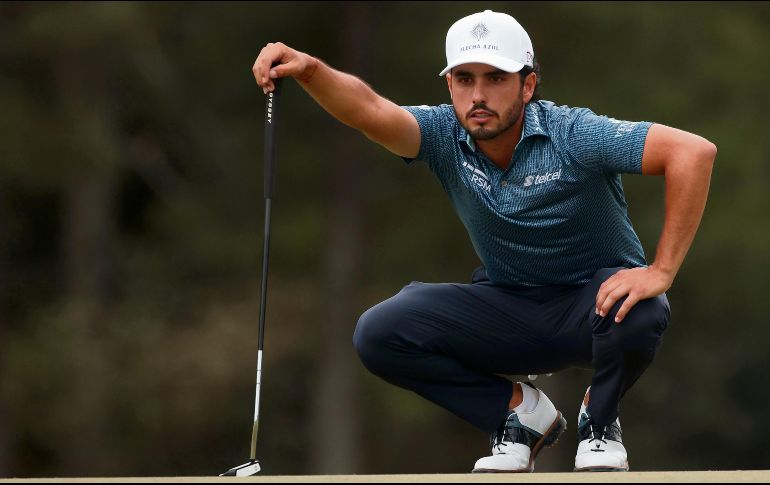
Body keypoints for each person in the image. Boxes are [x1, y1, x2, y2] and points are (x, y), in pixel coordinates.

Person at [253, 9, 716, 473]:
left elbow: (692, 152)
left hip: (595, 310)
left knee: (643, 307)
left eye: (496, 78)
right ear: (449, 84)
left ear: (528, 85)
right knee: (379, 332)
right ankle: (516, 415)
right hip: (510, 309)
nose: (478, 95)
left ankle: (600, 420)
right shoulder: (442, 134)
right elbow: (370, 110)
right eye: (464, 78)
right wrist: (312, 71)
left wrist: (661, 270)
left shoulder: (574, 134)